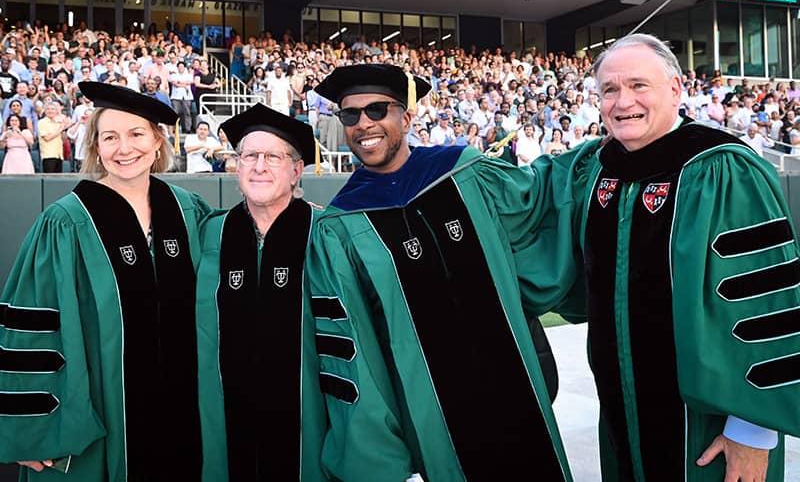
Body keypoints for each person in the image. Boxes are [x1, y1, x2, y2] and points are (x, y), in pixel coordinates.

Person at [305, 64, 574, 482]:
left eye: (377, 110)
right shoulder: (340, 223)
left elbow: (541, 208)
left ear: (407, 118)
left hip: (515, 387)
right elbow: (355, 344)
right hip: (433, 417)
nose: (363, 124)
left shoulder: (466, 170)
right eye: (350, 115)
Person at [564, 34, 800, 482]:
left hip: (710, 427)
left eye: (639, 85)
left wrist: (753, 432)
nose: (622, 101)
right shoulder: (596, 172)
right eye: (609, 90)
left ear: (675, 89)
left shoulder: (722, 169)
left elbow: (765, 305)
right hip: (623, 415)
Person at [0, 82, 212, 479]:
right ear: (95, 147)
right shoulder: (65, 224)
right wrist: (30, 430)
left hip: (185, 419)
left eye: (136, 134)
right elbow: (30, 333)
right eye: (109, 137)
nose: (124, 148)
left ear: (157, 143)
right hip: (105, 420)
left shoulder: (188, 212)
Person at [196, 103, 327, 481]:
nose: (259, 166)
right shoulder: (211, 234)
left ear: (297, 170)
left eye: (273, 156)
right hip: (225, 428)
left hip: (309, 430)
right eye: (249, 155)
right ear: (236, 166)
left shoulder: (327, 234)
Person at [38, 101, 70, 173]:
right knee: (49, 179)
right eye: (48, 109)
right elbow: (47, 138)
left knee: (58, 181)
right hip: (48, 155)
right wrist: (61, 128)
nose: (50, 111)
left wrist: (65, 127)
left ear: (56, 111)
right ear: (45, 111)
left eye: (53, 109)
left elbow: (63, 139)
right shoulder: (42, 122)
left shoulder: (58, 123)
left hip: (59, 155)